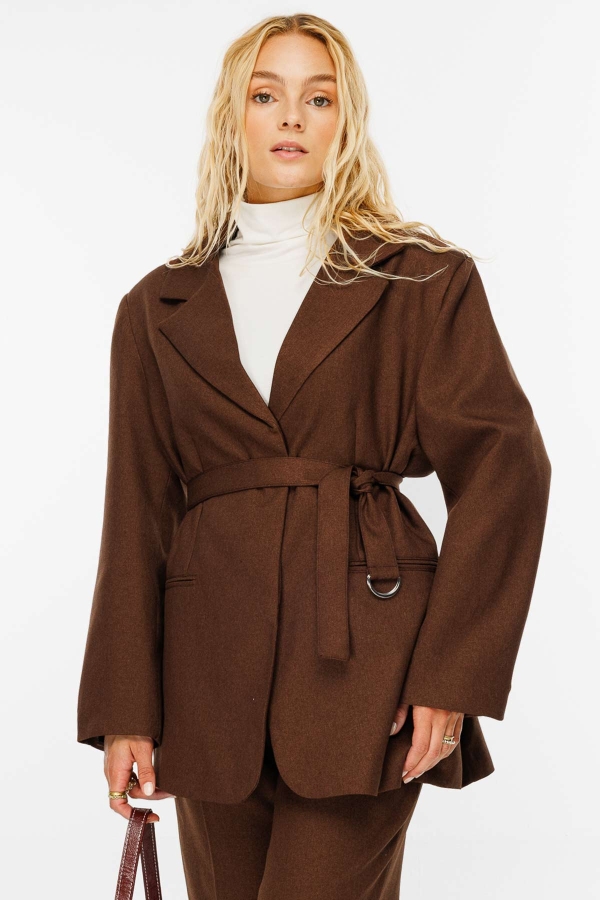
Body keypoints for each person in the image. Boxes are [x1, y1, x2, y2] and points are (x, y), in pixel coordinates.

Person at [76, 13, 552, 899]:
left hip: (367, 663)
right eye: (267, 95)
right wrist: (123, 709)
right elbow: (135, 511)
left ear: (346, 120)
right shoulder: (155, 308)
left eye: (319, 98)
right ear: (234, 115)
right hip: (208, 674)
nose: (292, 116)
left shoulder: (419, 277)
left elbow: (508, 469)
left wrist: (450, 676)